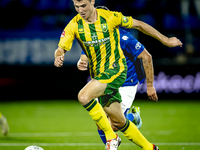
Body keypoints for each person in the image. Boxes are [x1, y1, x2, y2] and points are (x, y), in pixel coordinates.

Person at [54, 0, 182, 150]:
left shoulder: (113, 22)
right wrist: (59, 55)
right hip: (100, 76)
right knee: (117, 122)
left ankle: (112, 139)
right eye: (76, 6)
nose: (80, 10)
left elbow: (140, 28)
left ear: (92, 3)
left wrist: (166, 40)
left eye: (83, 6)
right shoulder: (75, 25)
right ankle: (150, 147)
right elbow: (64, 49)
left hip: (117, 71)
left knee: (84, 96)